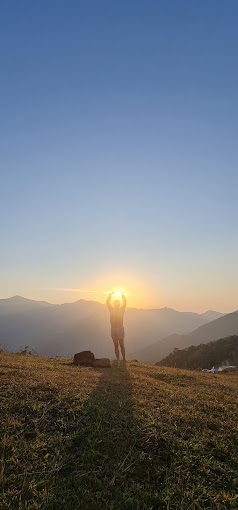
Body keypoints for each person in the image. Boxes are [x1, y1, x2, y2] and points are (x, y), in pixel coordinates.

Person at [106, 293, 126, 361]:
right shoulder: (120, 310)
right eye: (116, 304)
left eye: (117, 304)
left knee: (118, 345)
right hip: (117, 329)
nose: (116, 305)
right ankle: (122, 359)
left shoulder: (114, 310)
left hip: (116, 329)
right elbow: (124, 303)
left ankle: (121, 359)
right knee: (119, 345)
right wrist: (123, 296)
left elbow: (108, 303)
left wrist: (110, 296)